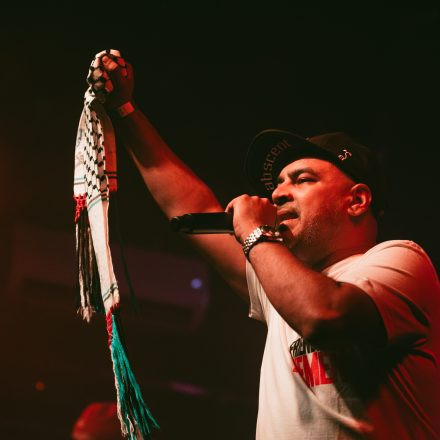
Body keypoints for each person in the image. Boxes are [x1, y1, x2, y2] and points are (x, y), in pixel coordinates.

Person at [96, 52, 440, 439]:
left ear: (357, 200)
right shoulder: (279, 278)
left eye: (302, 180)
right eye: (277, 184)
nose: (278, 194)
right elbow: (190, 207)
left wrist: (256, 233)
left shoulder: (402, 261)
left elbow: (323, 315)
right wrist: (125, 111)